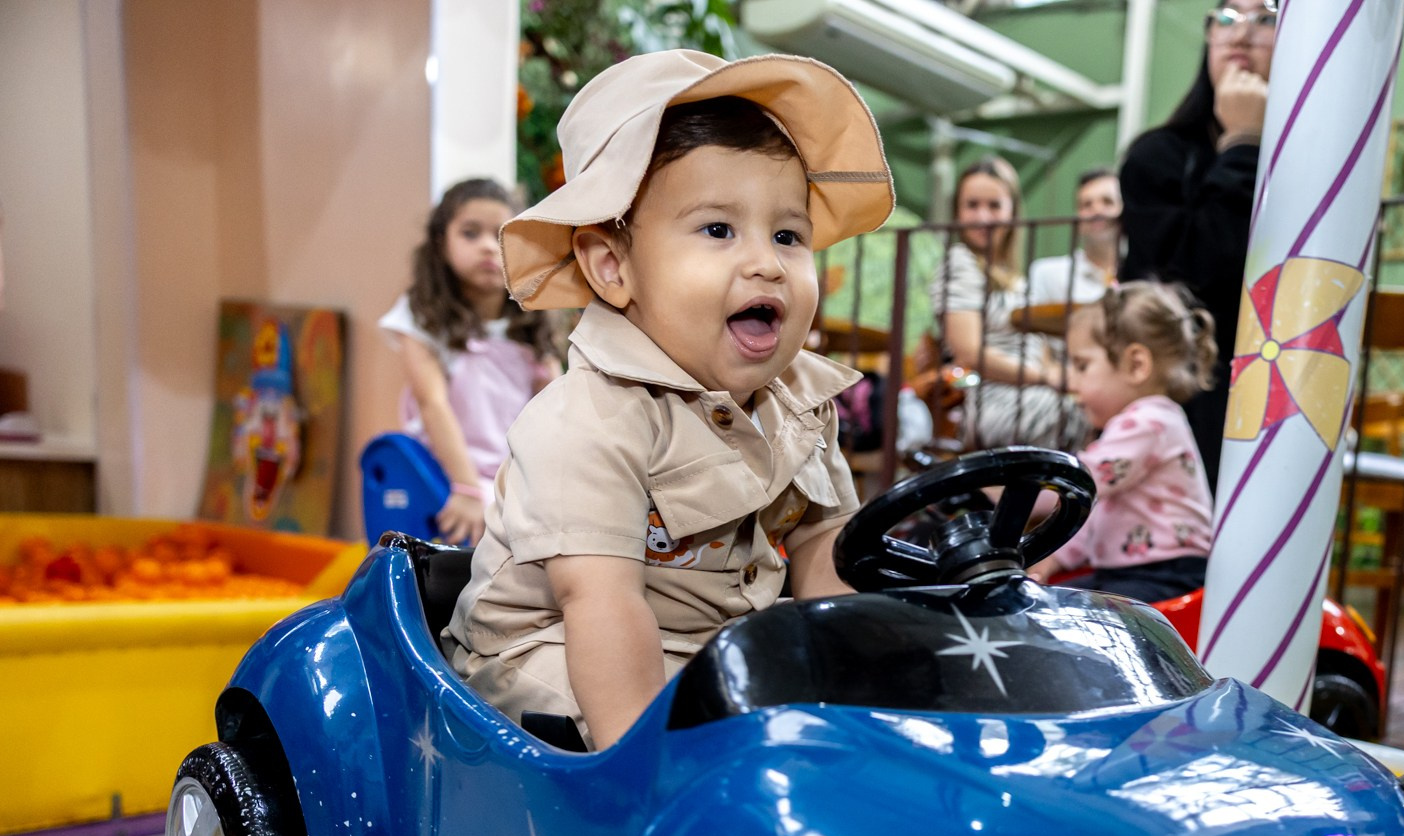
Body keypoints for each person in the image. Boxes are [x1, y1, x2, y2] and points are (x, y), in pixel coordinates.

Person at [445, 50, 893, 750]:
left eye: (787, 235)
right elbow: (602, 603)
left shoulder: (801, 406)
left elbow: (823, 554)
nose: (766, 262)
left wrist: (863, 691)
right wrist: (647, 766)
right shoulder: (588, 419)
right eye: (718, 230)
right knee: (720, 727)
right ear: (613, 267)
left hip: (717, 657)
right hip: (546, 655)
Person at [1119, 0, 1275, 487]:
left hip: (1282, 376)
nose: (1241, 34)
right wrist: (1243, 145)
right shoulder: (1157, 156)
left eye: (1266, 17)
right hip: (1188, 390)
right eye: (1226, 17)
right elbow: (1195, 279)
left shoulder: (1312, 157)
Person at [379, 179, 560, 544]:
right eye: (470, 233)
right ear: (440, 243)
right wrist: (466, 487)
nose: (487, 248)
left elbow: (555, 408)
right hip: (445, 470)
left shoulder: (529, 322)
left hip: (516, 471)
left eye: (500, 236)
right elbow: (432, 403)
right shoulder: (423, 318)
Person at [1033, 282, 1218, 601]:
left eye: (1082, 366)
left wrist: (1013, 493)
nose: (1071, 382)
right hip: (1132, 572)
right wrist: (1056, 558)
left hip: (1166, 575)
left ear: (1136, 365)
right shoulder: (1137, 426)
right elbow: (1095, 510)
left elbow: (1082, 484)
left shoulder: (1150, 422)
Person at [931, 156, 1085, 450]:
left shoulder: (1012, 275)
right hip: (995, 399)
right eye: (972, 205)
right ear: (957, 212)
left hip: (1032, 393)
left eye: (994, 205)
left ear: (1013, 210)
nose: (983, 217)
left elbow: (1039, 348)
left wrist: (1067, 376)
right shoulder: (959, 263)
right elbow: (969, 353)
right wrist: (1046, 378)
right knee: (1081, 414)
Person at [1025, 167, 1122, 311]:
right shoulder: (1047, 275)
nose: (1097, 211)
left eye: (1107, 202)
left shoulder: (1145, 277)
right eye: (1086, 205)